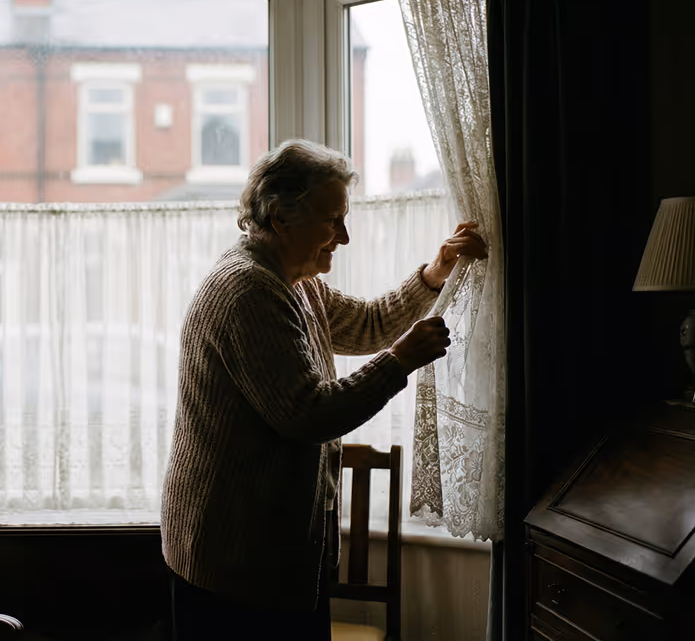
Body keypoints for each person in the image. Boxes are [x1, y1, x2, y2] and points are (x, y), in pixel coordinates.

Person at [161, 139, 488, 639]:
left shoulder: (294, 279)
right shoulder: (249, 291)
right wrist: (400, 360)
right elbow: (309, 414)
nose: (345, 236)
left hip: (268, 554)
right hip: (234, 560)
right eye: (332, 220)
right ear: (281, 219)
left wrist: (432, 276)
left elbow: (365, 323)